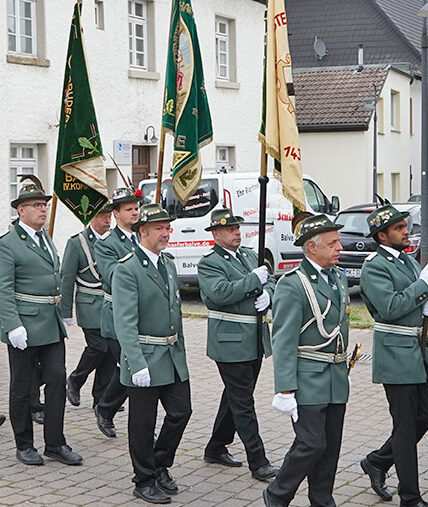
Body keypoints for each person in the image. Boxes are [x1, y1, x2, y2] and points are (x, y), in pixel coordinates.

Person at [265, 214, 352, 507]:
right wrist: (285, 387)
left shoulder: (338, 277)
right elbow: (284, 339)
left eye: (338, 241)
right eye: (332, 243)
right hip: (308, 378)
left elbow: (340, 328)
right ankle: (277, 494)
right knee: (311, 443)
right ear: (312, 248)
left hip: (335, 376)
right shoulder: (293, 284)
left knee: (330, 448)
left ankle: (322, 499)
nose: (339, 247)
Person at [358, 204, 428, 507]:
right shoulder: (374, 266)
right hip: (395, 355)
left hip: (418, 351)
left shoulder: (404, 260)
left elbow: (415, 300)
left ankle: (378, 461)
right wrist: (422, 289)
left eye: (405, 226)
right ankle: (410, 497)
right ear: (382, 235)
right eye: (399, 228)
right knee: (405, 427)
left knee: (424, 417)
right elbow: (390, 307)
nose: (407, 231)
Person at [112, 203, 191, 504]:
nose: (165, 233)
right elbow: (125, 322)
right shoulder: (128, 268)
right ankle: (143, 479)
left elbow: (176, 313)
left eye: (167, 228)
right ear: (142, 231)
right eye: (159, 228)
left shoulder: (167, 264)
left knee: (181, 412)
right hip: (144, 356)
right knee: (142, 424)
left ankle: (159, 464)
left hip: (171, 356)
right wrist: (135, 362)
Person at [0, 179, 81, 465]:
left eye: (44, 204)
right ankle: (24, 444)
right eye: (36, 205)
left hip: (50, 322)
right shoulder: (8, 244)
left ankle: (55, 443)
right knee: (22, 387)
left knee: (57, 380)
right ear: (20, 210)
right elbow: (3, 288)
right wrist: (12, 325)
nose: (43, 209)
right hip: (25, 325)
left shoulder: (45, 238)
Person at [198, 207, 278, 481]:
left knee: (235, 396)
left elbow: (271, 281)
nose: (236, 233)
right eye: (230, 229)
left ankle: (216, 446)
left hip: (254, 339)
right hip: (229, 343)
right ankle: (259, 461)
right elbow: (219, 293)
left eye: (237, 228)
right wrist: (254, 280)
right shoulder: (209, 263)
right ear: (216, 234)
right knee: (243, 402)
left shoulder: (248, 256)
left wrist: (268, 294)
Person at [93, 187, 143, 438]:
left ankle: (105, 407)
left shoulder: (142, 237)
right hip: (117, 315)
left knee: (128, 366)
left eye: (136, 208)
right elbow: (112, 276)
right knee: (131, 365)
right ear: (115, 213)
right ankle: (109, 409)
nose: (135, 212)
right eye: (129, 209)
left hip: (143, 315)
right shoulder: (107, 244)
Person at [62, 204, 114, 410]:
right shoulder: (77, 243)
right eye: (103, 216)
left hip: (110, 306)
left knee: (110, 352)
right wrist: (65, 312)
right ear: (91, 217)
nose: (107, 220)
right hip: (90, 305)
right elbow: (67, 278)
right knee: (98, 347)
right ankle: (75, 380)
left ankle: (100, 398)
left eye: (109, 216)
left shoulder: (112, 242)